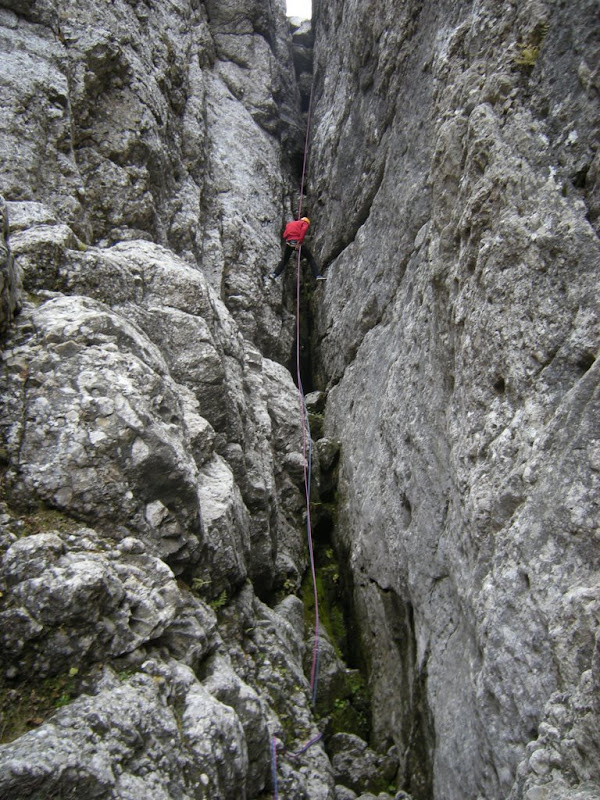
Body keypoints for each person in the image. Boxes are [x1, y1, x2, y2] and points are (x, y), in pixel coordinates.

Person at [269, 217, 326, 281]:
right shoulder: (305, 223)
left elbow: (284, 235)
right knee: (310, 258)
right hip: (297, 243)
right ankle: (317, 275)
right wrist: (299, 242)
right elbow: (303, 230)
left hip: (289, 243)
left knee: (285, 260)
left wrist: (290, 239)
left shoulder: (290, 224)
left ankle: (274, 274)